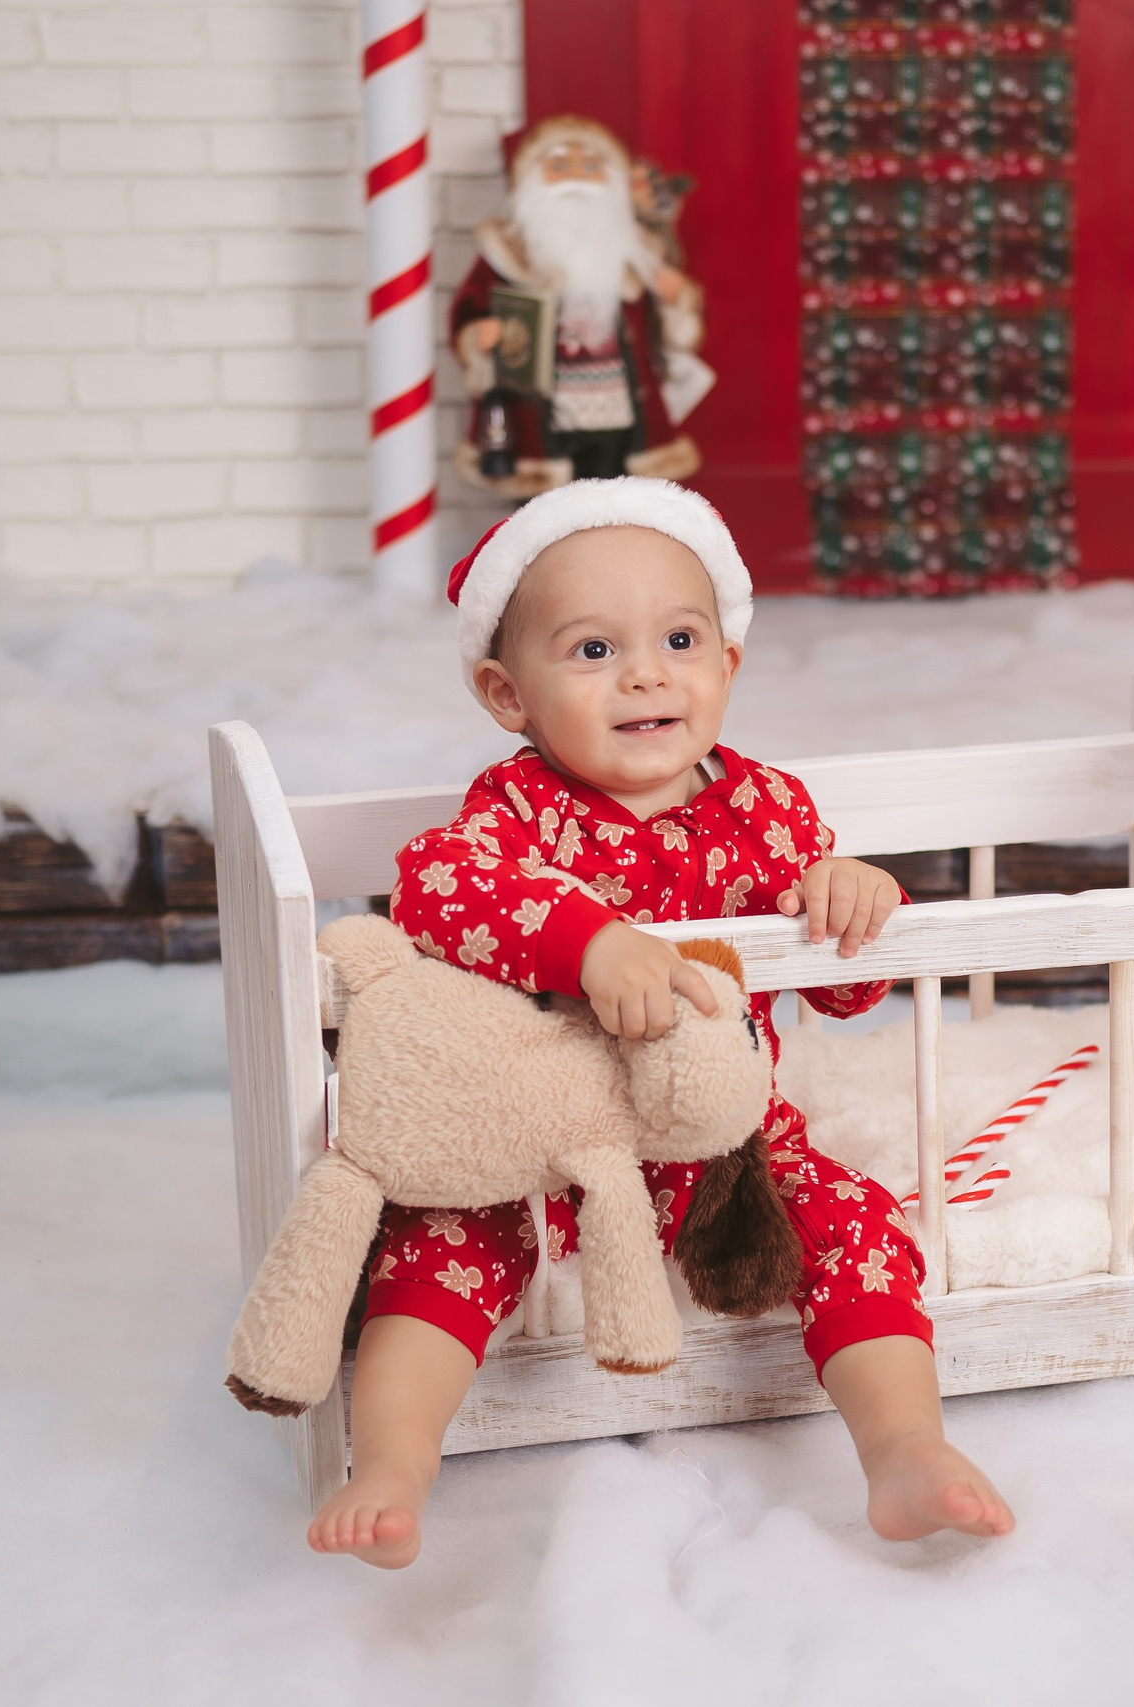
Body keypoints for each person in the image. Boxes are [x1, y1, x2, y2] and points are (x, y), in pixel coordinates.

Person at [307, 478, 1015, 1568]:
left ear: (725, 666)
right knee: (436, 1241)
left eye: (679, 639)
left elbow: (842, 991)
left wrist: (851, 900)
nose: (645, 672)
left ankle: (904, 1448)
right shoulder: (517, 810)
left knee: (850, 1228)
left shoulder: (770, 812)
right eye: (592, 652)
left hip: (722, 1141)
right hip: (538, 1139)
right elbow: (437, 888)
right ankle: (395, 1461)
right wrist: (587, 942)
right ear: (508, 693)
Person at [450, 117, 707, 499]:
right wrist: (477, 337)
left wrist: (676, 302)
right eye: (559, 166)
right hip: (540, 422)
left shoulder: (635, 253)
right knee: (544, 523)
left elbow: (672, 338)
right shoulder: (507, 255)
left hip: (621, 415)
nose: (576, 179)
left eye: (590, 167)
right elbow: (467, 314)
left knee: (617, 510)